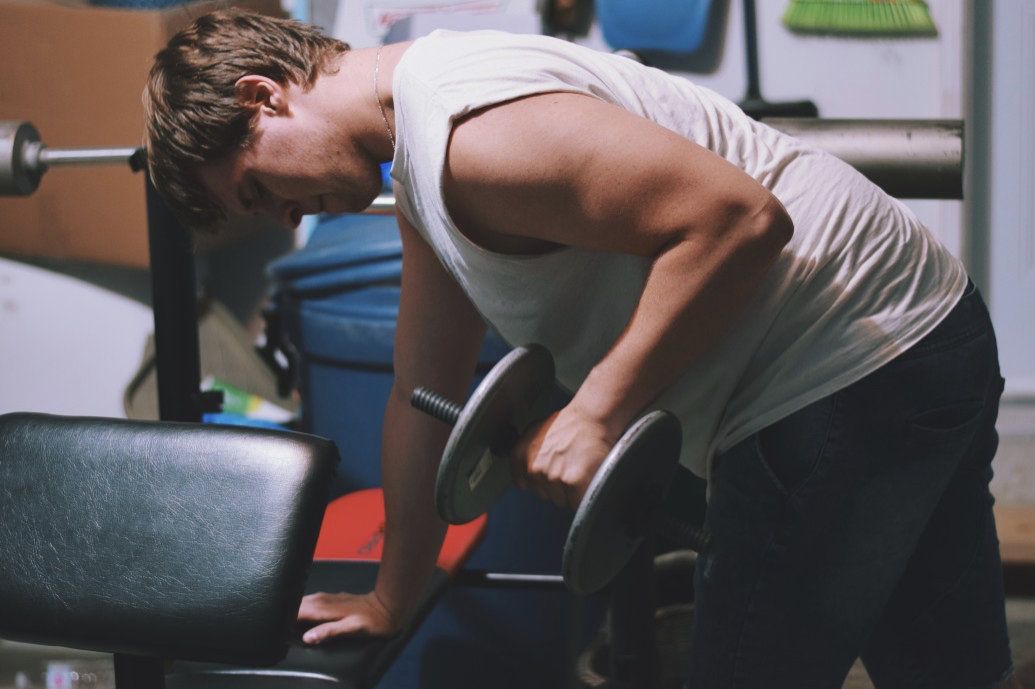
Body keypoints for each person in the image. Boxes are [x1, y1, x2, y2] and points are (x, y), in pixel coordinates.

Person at [144, 10, 1020, 689]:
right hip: (924, 328)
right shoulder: (420, 155)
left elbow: (736, 219)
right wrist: (393, 592)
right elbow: (422, 387)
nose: (284, 216)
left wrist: (597, 408)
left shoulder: (469, 135)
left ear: (264, 97)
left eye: (259, 187)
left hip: (840, 372)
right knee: (943, 666)